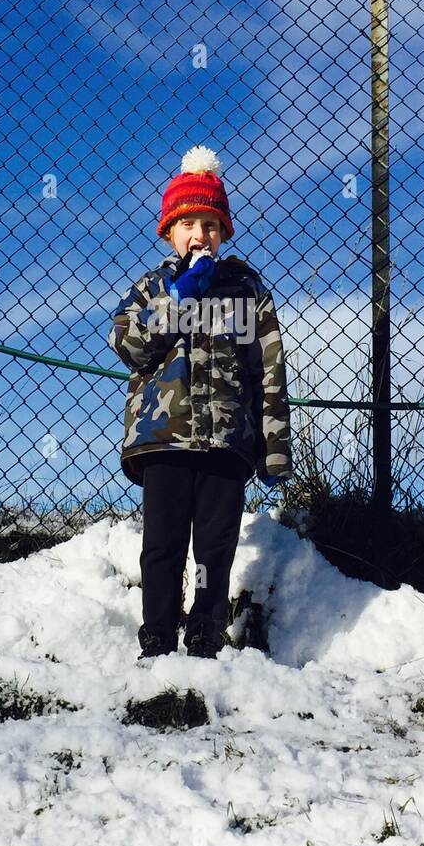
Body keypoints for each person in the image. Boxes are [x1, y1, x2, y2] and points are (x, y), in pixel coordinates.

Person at [106, 144, 293, 662]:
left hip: (226, 442)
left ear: (224, 231)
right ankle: (157, 637)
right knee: (162, 545)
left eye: (210, 224)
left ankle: (206, 637)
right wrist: (179, 296)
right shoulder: (152, 288)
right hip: (164, 440)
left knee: (214, 546)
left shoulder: (246, 289)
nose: (199, 235)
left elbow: (269, 369)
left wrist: (274, 448)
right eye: (188, 223)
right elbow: (130, 344)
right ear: (169, 231)